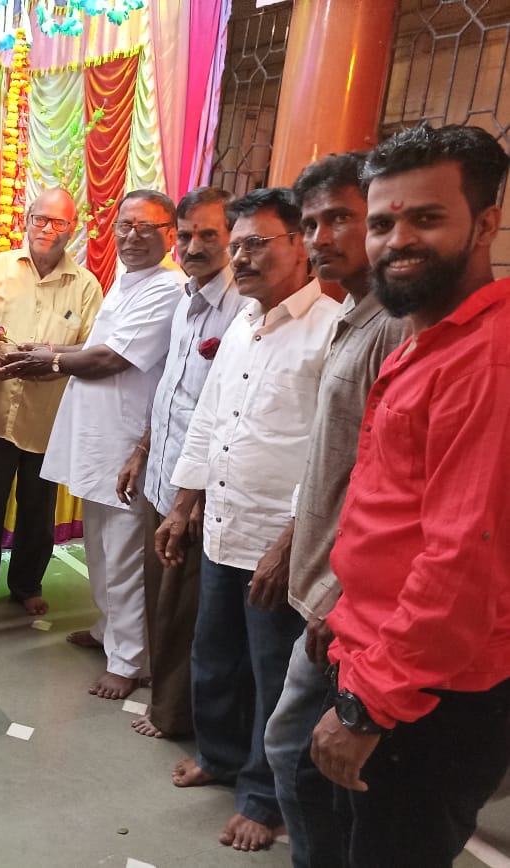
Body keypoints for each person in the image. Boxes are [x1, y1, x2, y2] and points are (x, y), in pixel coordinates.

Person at [310, 124, 510, 867]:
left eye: (426, 218)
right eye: (384, 223)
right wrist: (345, 616)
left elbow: (462, 562)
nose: (397, 242)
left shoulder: (487, 361)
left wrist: (369, 706)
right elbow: (397, 517)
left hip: (427, 692)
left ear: (485, 224)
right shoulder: (431, 338)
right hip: (380, 653)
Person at [155, 187, 341, 851]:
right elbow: (209, 418)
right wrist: (183, 504)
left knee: (275, 677)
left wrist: (289, 545)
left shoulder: (330, 330)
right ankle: (221, 755)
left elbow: (332, 454)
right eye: (236, 246)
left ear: (301, 245)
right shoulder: (242, 323)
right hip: (223, 528)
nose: (241, 257)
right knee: (215, 655)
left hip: (281, 544)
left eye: (257, 243)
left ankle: (265, 799)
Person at [259, 153, 405, 868]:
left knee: (296, 750)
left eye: (341, 218)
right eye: (312, 223)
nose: (322, 238)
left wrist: (343, 597)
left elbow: (390, 485)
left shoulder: (395, 328)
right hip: (327, 582)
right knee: (311, 758)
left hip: (347, 597)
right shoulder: (357, 316)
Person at [15, 190, 183, 700]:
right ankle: (110, 630)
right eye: (125, 226)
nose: (132, 237)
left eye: (146, 228)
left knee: (125, 554)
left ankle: (130, 660)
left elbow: (112, 359)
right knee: (100, 548)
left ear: (170, 234)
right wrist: (49, 349)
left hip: (126, 442)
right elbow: (94, 347)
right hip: (99, 438)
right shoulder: (128, 282)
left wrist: (49, 361)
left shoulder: (168, 288)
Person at [117, 186, 244, 739]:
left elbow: (225, 415)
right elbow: (170, 389)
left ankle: (174, 716)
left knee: (186, 607)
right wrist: (142, 451)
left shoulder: (241, 310)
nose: (194, 247)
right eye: (188, 235)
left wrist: (195, 497)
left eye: (208, 235)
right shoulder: (188, 298)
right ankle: (164, 700)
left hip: (197, 490)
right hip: (163, 472)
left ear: (234, 239)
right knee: (161, 596)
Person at [0, 188, 103, 622]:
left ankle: (27, 585)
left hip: (48, 418)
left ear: (72, 229)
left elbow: (92, 347)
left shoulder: (86, 286)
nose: (47, 229)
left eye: (59, 222)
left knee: (38, 511)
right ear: (26, 219)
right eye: (41, 218)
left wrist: (53, 359)